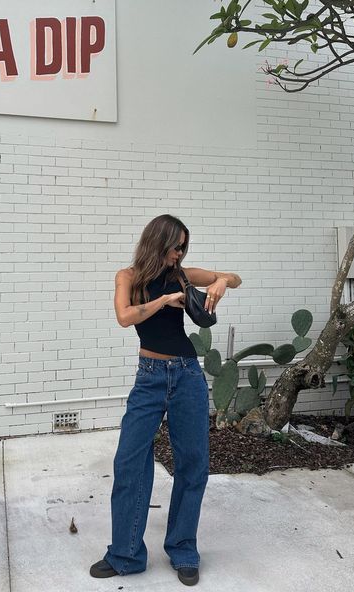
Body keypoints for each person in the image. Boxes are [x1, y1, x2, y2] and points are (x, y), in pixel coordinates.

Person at [90, 214, 241, 586]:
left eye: (183, 248)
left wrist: (221, 281)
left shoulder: (183, 273)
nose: (179, 253)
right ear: (158, 242)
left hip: (187, 375)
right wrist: (166, 299)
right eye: (176, 246)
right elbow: (125, 317)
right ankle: (125, 554)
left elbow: (235, 278)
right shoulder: (127, 277)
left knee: (193, 464)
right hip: (150, 377)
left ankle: (183, 549)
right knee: (129, 462)